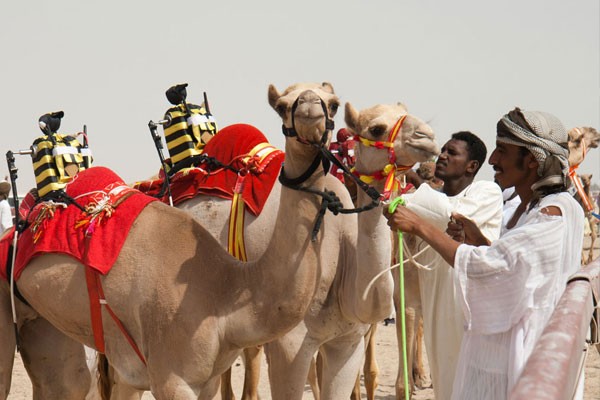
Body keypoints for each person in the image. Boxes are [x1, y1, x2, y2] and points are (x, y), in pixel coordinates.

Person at [385, 107, 585, 399]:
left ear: (532, 160)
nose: (493, 160)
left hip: (526, 359)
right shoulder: (528, 209)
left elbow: (494, 268)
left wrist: (419, 226)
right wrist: (477, 239)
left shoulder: (553, 213)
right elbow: (519, 267)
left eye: (502, 151)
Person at [399, 131, 503, 400]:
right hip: (435, 310)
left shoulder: (486, 192)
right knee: (445, 385)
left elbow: (453, 214)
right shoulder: (424, 201)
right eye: (442, 150)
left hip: (472, 313)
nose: (442, 156)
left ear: (472, 166)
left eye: (452, 152)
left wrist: (410, 193)